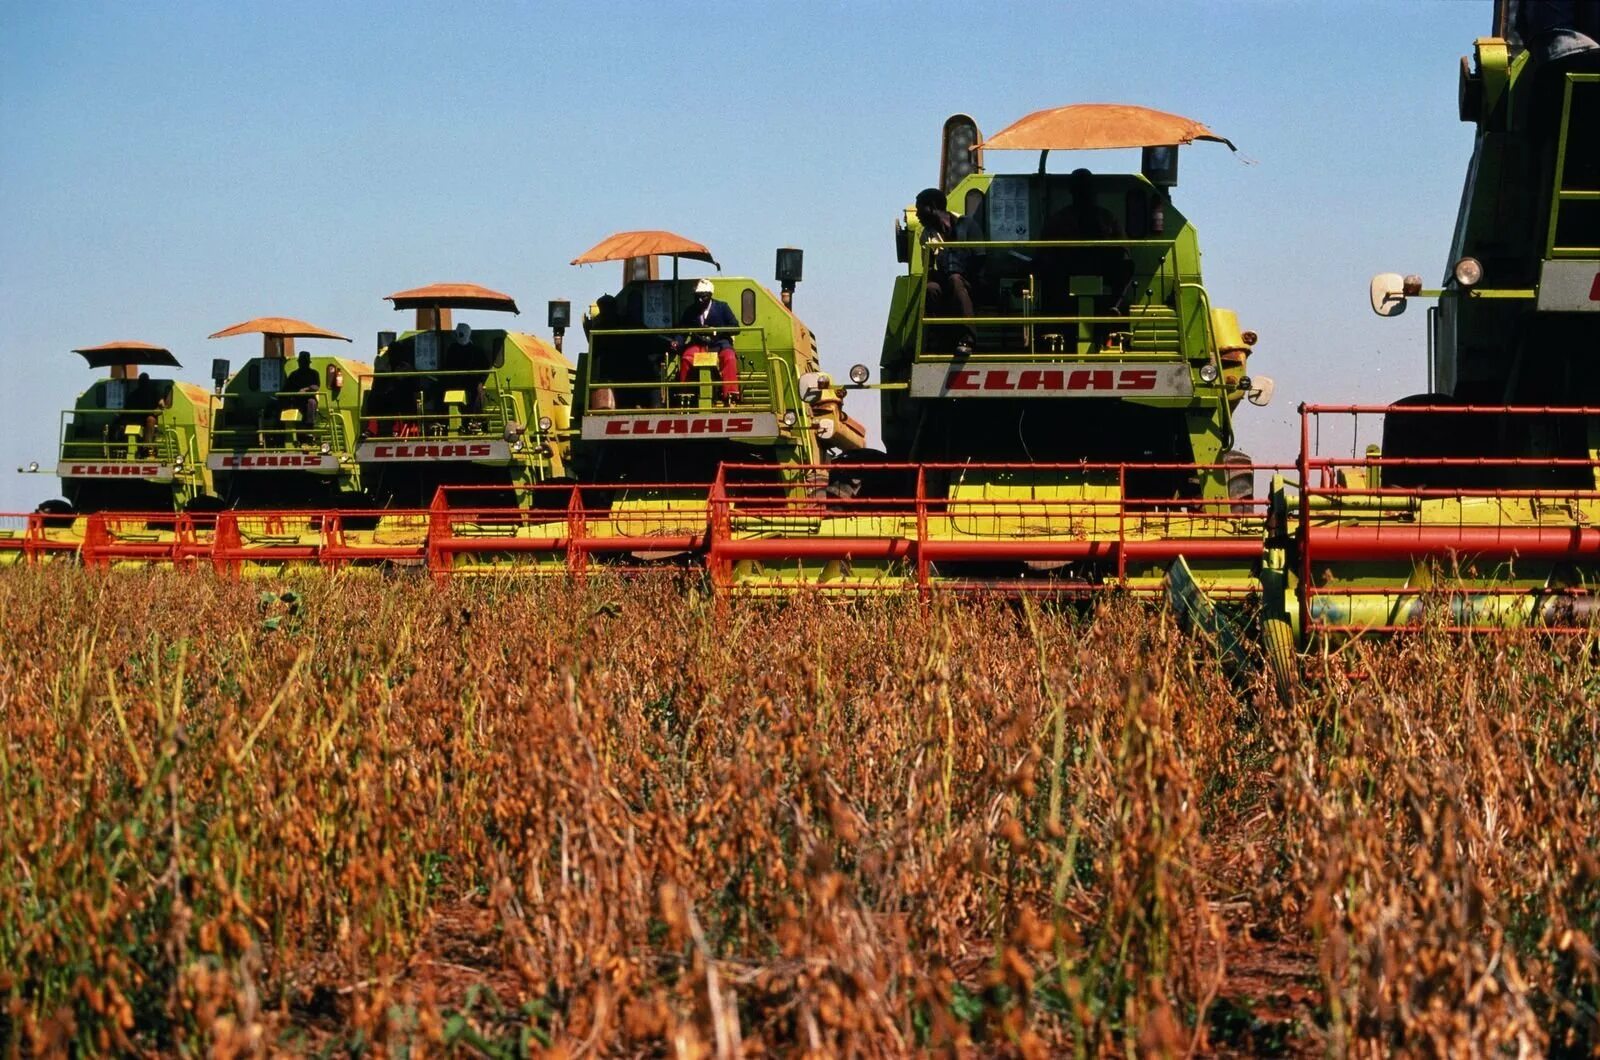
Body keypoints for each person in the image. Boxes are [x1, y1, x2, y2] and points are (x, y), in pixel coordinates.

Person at [1040, 169, 1135, 348]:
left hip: (1099, 270)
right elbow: (1045, 251)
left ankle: (1114, 306)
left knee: (1127, 265)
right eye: (1081, 188)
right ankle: (1057, 312)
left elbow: (1123, 249)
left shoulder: (1065, 218)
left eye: (1086, 188)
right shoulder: (1062, 219)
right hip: (1067, 272)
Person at [915, 188, 976, 354]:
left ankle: (967, 339)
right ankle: (941, 341)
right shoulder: (926, 235)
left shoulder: (968, 224)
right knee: (931, 289)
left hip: (971, 279)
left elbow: (980, 256)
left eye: (920, 209)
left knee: (956, 280)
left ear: (933, 207)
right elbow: (928, 267)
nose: (917, 215)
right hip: (946, 279)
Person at [673, 277, 741, 405]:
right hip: (698, 344)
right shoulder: (690, 311)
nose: (699, 300)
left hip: (719, 343)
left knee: (729, 358)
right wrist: (677, 342)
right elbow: (682, 331)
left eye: (703, 297)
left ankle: (731, 394)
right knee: (687, 358)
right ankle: (685, 393)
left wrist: (716, 330)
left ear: (710, 296)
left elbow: (736, 327)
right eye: (697, 296)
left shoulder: (722, 307)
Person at [282, 351, 322, 445]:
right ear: (299, 362)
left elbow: (316, 386)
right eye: (301, 362)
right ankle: (280, 434)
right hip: (296, 400)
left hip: (309, 399)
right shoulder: (294, 375)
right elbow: (286, 388)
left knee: (311, 403)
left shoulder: (313, 373)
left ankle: (309, 430)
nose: (302, 364)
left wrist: (305, 389)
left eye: (304, 362)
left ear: (308, 363)